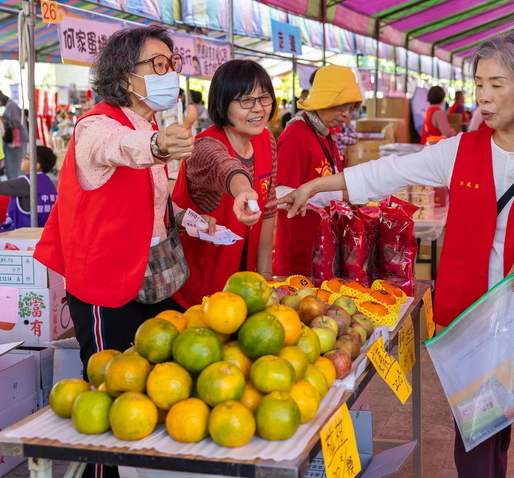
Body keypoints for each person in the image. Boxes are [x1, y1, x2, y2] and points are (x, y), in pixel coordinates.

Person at [271, 32, 514, 478]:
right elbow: (387, 172)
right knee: (478, 445)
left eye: (496, 84)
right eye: (479, 84)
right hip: (474, 321)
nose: (483, 96)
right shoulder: (461, 149)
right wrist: (315, 186)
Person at [34, 25, 215, 387]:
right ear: (123, 75)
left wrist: (190, 218)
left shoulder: (148, 122)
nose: (170, 73)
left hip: (152, 276)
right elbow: (120, 145)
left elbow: (151, 201)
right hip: (107, 280)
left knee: (159, 379)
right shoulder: (96, 126)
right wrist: (158, 144)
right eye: (158, 64)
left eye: (172, 64)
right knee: (111, 382)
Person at [171, 59, 276, 307]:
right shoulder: (203, 147)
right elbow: (226, 167)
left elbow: (269, 209)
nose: (258, 108)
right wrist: (244, 190)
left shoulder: (267, 140)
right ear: (222, 103)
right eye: (246, 101)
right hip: (197, 290)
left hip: (244, 287)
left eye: (264, 98)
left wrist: (265, 277)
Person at [273, 65, 362, 278]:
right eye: (342, 107)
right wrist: (340, 195)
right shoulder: (296, 135)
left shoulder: (325, 134)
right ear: (324, 100)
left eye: (350, 108)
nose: (346, 115)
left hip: (321, 252)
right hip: (298, 257)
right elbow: (280, 195)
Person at [0, 145, 57, 230]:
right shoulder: (49, 182)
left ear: (36, 166)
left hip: (25, 233)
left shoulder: (26, 182)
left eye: (26, 157)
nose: (22, 159)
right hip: (44, 231)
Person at [0, 89, 26, 180]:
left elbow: (17, 123)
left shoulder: (11, 106)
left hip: (16, 140)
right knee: (14, 163)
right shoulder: (10, 105)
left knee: (14, 164)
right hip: (16, 140)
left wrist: (3, 120)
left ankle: (16, 183)